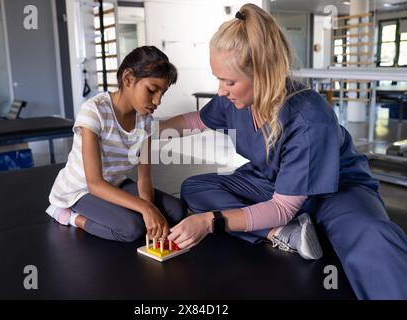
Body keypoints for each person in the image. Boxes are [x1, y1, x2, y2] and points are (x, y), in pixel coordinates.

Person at [163, 4, 407, 299]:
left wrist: (211, 220)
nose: (221, 90)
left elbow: (283, 208)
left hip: (334, 190)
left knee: (373, 238)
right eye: (218, 78)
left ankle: (291, 227)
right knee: (196, 186)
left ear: (263, 74)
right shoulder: (233, 101)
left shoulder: (309, 117)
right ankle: (281, 234)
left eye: (229, 81)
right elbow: (195, 120)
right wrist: (148, 131)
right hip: (273, 183)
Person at [46, 46, 186, 242]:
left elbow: (144, 178)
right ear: (128, 79)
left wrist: (150, 212)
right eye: (153, 90)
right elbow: (94, 183)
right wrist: (145, 209)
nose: (158, 101)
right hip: (81, 190)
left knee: (176, 211)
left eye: (162, 93)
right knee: (131, 229)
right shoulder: (94, 111)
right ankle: (69, 216)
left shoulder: (145, 120)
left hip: (116, 184)